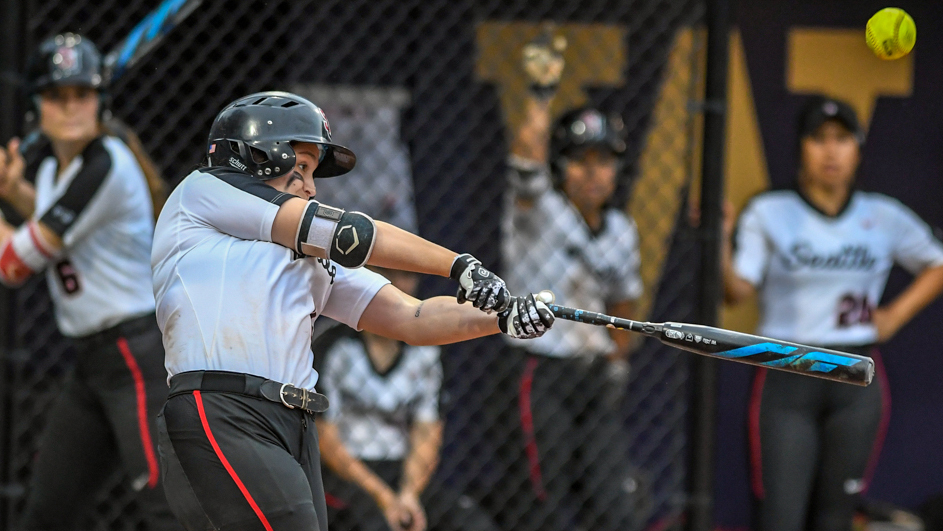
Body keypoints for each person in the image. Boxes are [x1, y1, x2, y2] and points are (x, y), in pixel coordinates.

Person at [151, 90, 555, 531]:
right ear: (255, 156)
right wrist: (459, 265)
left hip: (291, 427)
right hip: (224, 409)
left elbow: (411, 317)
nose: (310, 186)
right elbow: (353, 234)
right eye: (301, 168)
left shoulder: (306, 258)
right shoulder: (204, 192)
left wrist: (503, 317)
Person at [722, 94, 943, 531]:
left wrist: (894, 316)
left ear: (858, 149)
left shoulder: (881, 215)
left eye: (842, 139)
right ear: (801, 148)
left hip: (853, 373)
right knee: (780, 515)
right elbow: (736, 291)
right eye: (818, 139)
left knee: (837, 515)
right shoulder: (770, 212)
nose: (830, 151)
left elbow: (937, 263)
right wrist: (718, 239)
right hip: (787, 366)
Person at [0, 33, 178, 530]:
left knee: (165, 508)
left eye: (83, 94)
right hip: (93, 365)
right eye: (58, 97)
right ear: (38, 105)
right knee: (47, 510)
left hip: (135, 356)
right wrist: (13, 190)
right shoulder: (64, 167)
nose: (72, 107)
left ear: (100, 101)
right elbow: (57, 223)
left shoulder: (105, 164)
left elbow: (13, 266)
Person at [478, 31, 650, 531]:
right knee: (539, 504)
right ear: (563, 166)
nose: (594, 173)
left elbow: (626, 298)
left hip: (591, 378)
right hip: (537, 371)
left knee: (613, 507)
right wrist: (539, 95)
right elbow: (526, 160)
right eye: (582, 161)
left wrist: (616, 360)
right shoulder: (539, 210)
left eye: (605, 161)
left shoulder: (621, 230)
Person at [315, 266, 499, 531]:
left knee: (472, 523)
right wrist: (384, 498)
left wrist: (408, 495)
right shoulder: (333, 343)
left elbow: (428, 432)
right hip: (346, 474)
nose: (397, 284)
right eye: (385, 272)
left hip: (404, 472)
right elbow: (325, 440)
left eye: (406, 274)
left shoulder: (428, 349)